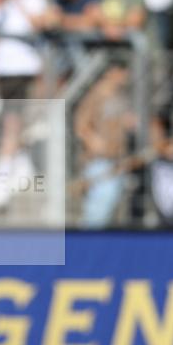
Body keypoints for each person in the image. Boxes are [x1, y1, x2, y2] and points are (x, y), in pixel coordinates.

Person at [0, 0, 48, 208]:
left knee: (14, 122)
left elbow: (38, 25)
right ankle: (22, 168)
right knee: (12, 122)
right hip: (3, 71)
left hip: (25, 69)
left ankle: (2, 177)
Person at [74, 62, 135, 228]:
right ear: (110, 72)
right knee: (98, 209)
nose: (125, 74)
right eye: (122, 70)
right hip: (98, 160)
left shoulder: (121, 95)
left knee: (111, 209)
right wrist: (92, 140)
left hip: (118, 159)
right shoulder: (95, 95)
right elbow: (81, 125)